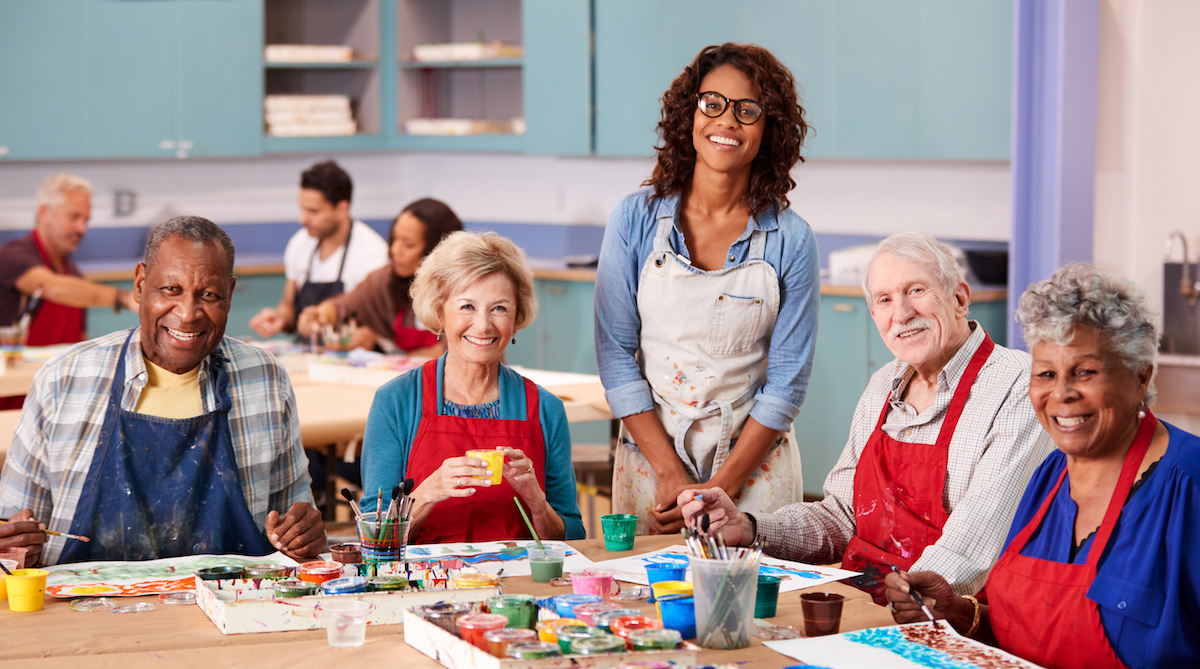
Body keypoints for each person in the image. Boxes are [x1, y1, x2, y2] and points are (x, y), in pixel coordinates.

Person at [886, 263, 1199, 669]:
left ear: (1141, 378)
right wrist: (959, 612)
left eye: (1086, 371)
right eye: (1046, 374)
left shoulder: (1187, 483)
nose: (1062, 394)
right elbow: (1040, 631)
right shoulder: (1049, 477)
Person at [681, 231, 1053, 600]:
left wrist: (892, 606)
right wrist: (749, 528)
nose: (902, 314)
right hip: (865, 596)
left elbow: (971, 545)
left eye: (916, 291)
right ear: (874, 314)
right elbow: (842, 517)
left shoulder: (1016, 385)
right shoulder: (883, 384)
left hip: (947, 614)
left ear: (959, 298)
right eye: (885, 300)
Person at [0, 216, 325, 566]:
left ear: (229, 295)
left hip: (229, 606)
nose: (187, 314)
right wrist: (13, 546)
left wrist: (304, 536)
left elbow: (295, 528)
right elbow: (12, 531)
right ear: (140, 285)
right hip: (86, 610)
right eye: (171, 289)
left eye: (209, 295)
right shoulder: (63, 380)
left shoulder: (265, 379)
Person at [595, 43, 820, 536]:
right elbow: (614, 353)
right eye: (712, 103)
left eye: (749, 110)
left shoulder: (791, 240)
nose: (727, 121)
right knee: (647, 603)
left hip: (753, 469)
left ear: (770, 128)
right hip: (652, 465)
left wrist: (723, 486)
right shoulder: (634, 220)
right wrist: (670, 472)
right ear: (689, 112)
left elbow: (786, 385)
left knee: (753, 609)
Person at [360, 230, 584, 544]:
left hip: (517, 588)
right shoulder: (395, 402)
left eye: (499, 308)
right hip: (427, 587)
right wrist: (428, 492)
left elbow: (573, 535)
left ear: (517, 317)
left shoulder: (546, 409)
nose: (482, 325)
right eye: (467, 306)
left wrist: (537, 502)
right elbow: (373, 537)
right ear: (440, 312)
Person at [295, 198, 461, 355]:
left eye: (408, 244)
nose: (395, 250)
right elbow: (345, 305)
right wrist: (321, 315)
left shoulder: (464, 292)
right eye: (394, 239)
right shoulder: (385, 280)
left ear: (436, 250)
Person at [247, 161, 388, 340]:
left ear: (342, 209)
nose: (302, 219)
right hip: (305, 351)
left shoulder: (372, 254)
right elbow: (288, 304)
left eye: (313, 211)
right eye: (302, 209)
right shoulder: (300, 243)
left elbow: (372, 330)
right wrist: (280, 318)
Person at [0, 173, 138, 345]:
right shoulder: (12, 256)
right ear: (44, 212)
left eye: (86, 220)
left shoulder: (75, 276)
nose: (82, 228)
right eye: (74, 217)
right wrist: (123, 298)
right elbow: (51, 287)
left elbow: (81, 342)